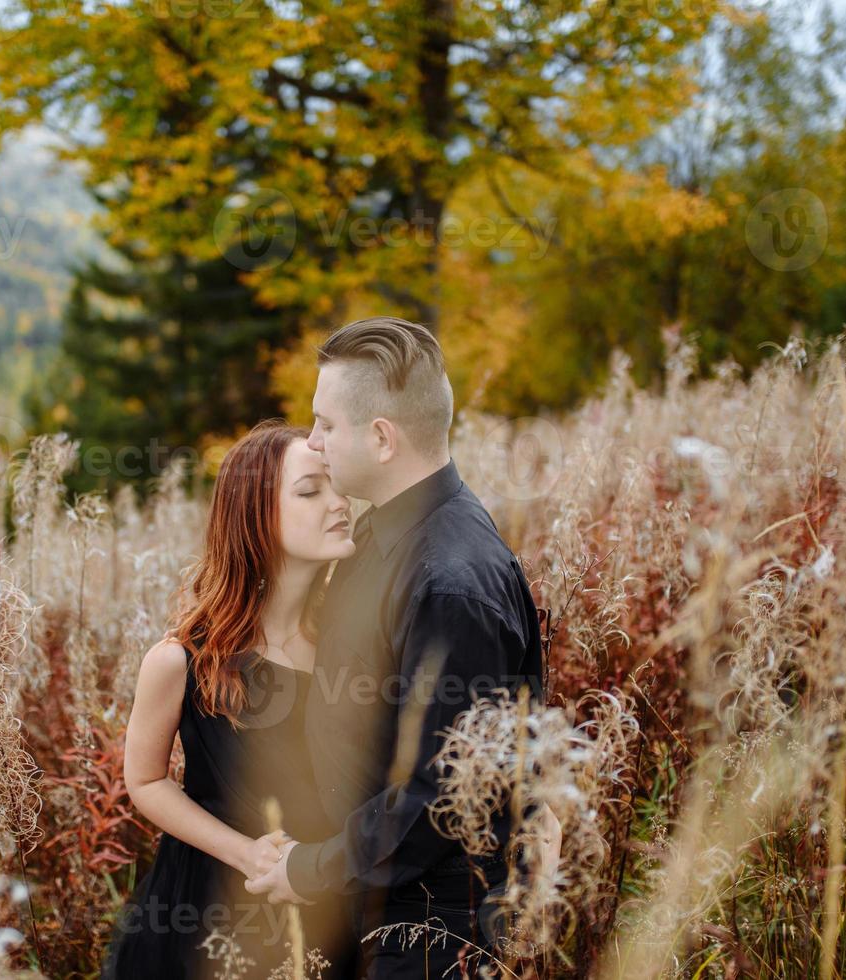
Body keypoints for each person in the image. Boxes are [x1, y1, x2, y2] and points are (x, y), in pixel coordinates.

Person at [243, 316, 548, 979]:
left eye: (325, 424)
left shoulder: (450, 585)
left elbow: (441, 796)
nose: (315, 443)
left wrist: (312, 867)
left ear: (381, 438)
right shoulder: (378, 538)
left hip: (437, 932)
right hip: (375, 903)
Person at [103, 420, 361, 979]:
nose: (340, 503)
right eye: (311, 490)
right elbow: (145, 781)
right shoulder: (182, 661)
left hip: (324, 909)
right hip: (207, 912)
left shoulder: (352, 649)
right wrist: (246, 853)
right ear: (256, 517)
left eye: (337, 486)